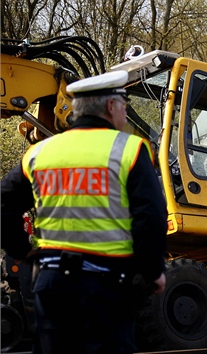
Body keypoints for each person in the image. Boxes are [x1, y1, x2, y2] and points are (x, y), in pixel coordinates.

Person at [1, 70, 168, 354]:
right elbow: (150, 216)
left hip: (51, 286)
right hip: (108, 288)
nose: (125, 114)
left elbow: (3, 203)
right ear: (110, 106)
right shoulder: (129, 149)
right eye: (124, 106)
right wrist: (153, 271)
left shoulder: (40, 152)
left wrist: (21, 250)